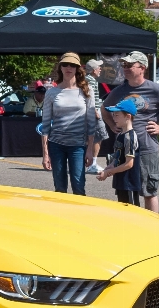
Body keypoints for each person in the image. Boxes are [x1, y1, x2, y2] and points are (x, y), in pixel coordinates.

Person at [101, 51, 159, 213]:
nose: (125, 68)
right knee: (124, 191)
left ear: (142, 68)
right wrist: (112, 125)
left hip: (146, 148)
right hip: (124, 149)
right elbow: (104, 109)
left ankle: (153, 229)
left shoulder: (154, 89)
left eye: (129, 65)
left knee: (149, 191)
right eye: (124, 65)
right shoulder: (119, 91)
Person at [40, 52, 95, 196]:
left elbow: (91, 123)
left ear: (78, 68)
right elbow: (45, 125)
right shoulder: (52, 92)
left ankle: (79, 217)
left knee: (78, 186)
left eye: (72, 65)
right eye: (65, 64)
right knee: (60, 188)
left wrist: (90, 150)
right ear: (61, 68)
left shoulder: (86, 91)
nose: (68, 67)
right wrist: (45, 154)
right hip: (56, 144)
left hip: (78, 145)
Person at [97, 99, 141, 206]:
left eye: (117, 115)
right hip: (121, 182)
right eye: (113, 114)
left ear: (128, 116)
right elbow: (119, 157)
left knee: (131, 213)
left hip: (129, 183)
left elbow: (129, 164)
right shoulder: (121, 134)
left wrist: (109, 172)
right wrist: (110, 167)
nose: (113, 118)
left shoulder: (130, 137)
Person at [84, 59, 108, 175]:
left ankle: (91, 162)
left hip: (92, 111)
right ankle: (92, 164)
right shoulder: (90, 81)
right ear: (94, 70)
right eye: (98, 67)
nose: (100, 69)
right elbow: (89, 97)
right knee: (98, 136)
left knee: (94, 137)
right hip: (93, 112)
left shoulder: (90, 80)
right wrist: (95, 111)